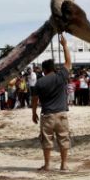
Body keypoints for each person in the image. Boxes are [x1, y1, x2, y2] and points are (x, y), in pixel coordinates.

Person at [31, 34, 72, 171]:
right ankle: (64, 164)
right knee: (64, 139)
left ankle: (48, 165)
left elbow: (34, 99)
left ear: (44, 70)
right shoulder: (61, 76)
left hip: (47, 115)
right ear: (53, 68)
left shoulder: (40, 82)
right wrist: (64, 45)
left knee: (47, 141)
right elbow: (68, 63)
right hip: (61, 114)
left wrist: (34, 113)